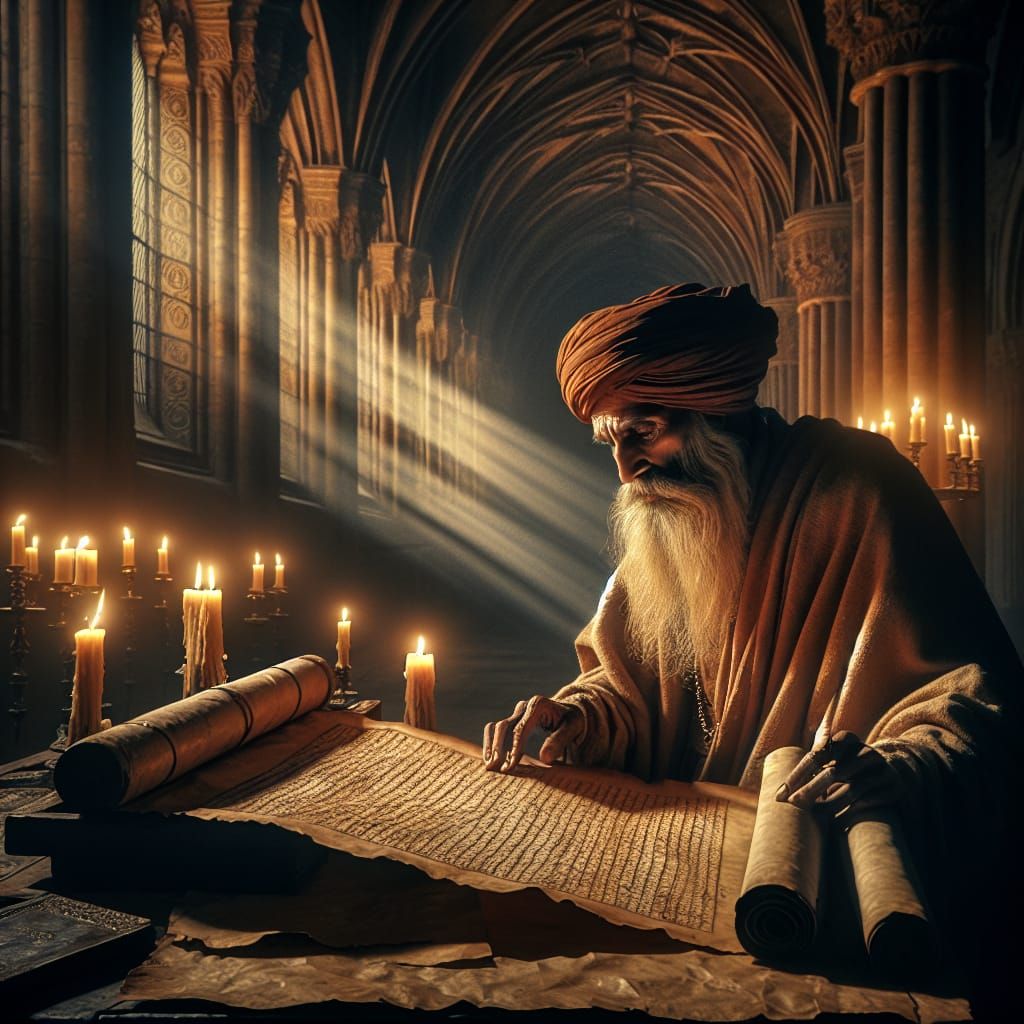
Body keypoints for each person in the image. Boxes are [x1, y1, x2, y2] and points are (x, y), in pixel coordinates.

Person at [481, 283, 1020, 959]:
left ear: (715, 409)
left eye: (644, 432)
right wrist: (574, 719)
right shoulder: (664, 522)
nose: (625, 468)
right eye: (611, 442)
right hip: (676, 861)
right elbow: (623, 688)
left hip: (812, 869)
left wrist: (899, 768)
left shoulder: (859, 489)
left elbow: (976, 705)